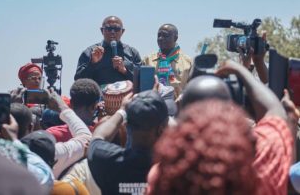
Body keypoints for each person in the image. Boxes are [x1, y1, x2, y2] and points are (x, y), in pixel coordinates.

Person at [147, 60, 294, 195]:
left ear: (183, 114)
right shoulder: (259, 164)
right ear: (230, 110)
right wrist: (240, 71)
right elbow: (275, 112)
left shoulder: (163, 174)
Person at [87, 90, 169, 195]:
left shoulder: (107, 160)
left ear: (126, 126)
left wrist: (122, 111)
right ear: (162, 129)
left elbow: (98, 137)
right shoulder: (177, 171)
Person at [74, 16, 141, 86]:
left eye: (116, 29)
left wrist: (125, 71)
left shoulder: (133, 53)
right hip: (99, 96)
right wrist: (92, 64)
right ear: (102, 30)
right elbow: (78, 81)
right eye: (109, 28)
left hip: (127, 96)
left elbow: (142, 81)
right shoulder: (90, 52)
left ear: (122, 31)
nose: (112, 32)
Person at [143, 24, 192, 98]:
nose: (160, 38)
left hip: (178, 106)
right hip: (154, 105)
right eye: (159, 35)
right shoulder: (147, 60)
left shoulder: (188, 62)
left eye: (165, 35)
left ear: (175, 38)